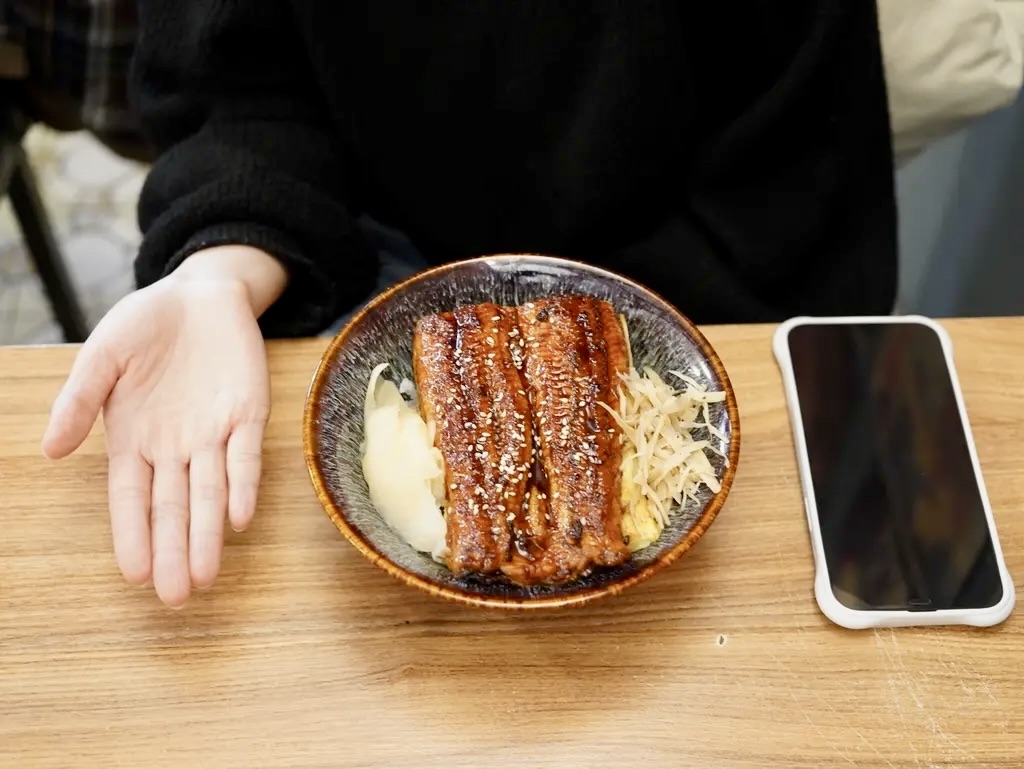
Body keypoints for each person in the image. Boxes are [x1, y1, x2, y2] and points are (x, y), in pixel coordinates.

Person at [31, 1, 1017, 609]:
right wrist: (216, 269)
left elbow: (792, 169)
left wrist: (595, 391)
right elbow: (242, 89)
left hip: (700, 274)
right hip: (364, 245)